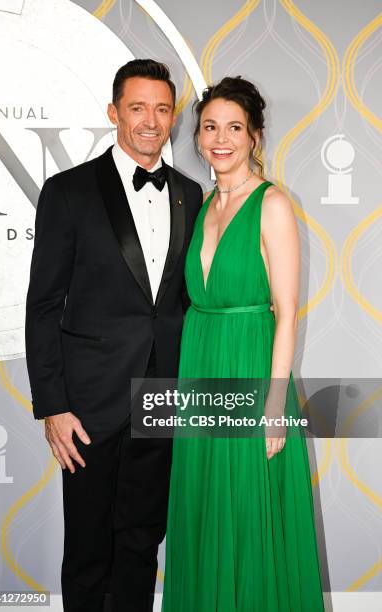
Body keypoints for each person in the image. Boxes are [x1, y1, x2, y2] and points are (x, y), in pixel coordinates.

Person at [25, 59, 203, 612]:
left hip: (162, 394)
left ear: (172, 117)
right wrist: (53, 405)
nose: (151, 121)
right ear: (113, 112)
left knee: (141, 541)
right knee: (87, 548)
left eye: (162, 108)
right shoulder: (68, 191)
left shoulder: (191, 194)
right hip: (89, 403)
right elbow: (43, 305)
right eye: (137, 107)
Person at [162, 77, 325, 611]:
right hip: (201, 368)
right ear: (198, 137)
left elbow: (286, 313)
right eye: (210, 127)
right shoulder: (202, 203)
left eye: (234, 127)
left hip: (252, 372)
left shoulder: (272, 203)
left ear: (255, 135)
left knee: (248, 511)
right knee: (206, 507)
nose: (220, 138)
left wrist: (275, 405)